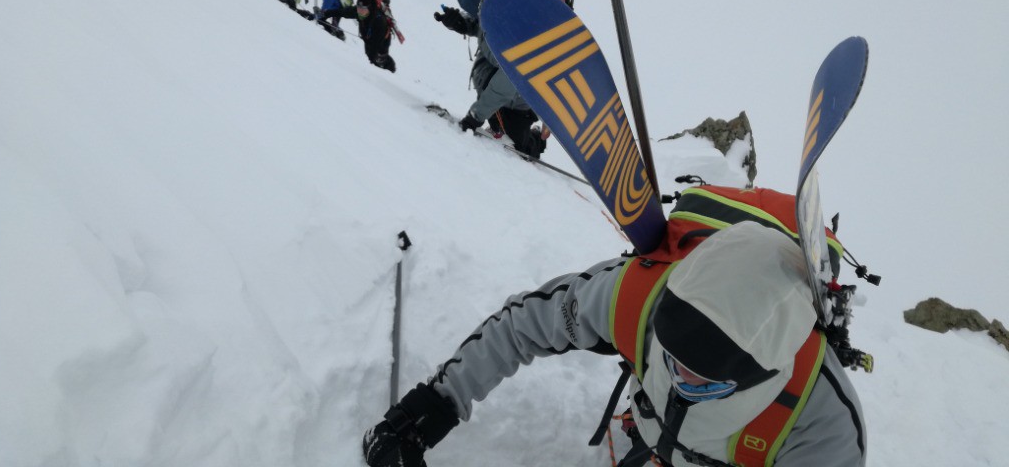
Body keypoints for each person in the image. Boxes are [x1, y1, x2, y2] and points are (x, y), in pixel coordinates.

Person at [362, 221, 867, 467]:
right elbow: (523, 325)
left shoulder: (823, 423)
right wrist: (428, 410)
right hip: (649, 436)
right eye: (672, 359)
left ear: (767, 369)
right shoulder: (635, 297)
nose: (683, 378)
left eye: (708, 381)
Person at [433, 0, 558, 158]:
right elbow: (478, 28)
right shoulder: (496, 15)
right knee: (499, 116)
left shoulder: (517, 34)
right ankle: (496, 120)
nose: (478, 17)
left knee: (520, 147)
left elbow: (505, 84)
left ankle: (535, 142)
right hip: (493, 88)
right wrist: (457, 22)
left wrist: (475, 117)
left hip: (516, 103)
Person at [320, 0, 396, 72]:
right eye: (359, 10)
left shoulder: (379, 21)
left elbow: (376, 44)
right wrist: (326, 13)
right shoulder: (358, 11)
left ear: (370, 9)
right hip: (368, 36)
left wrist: (371, 61)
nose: (360, 13)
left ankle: (391, 69)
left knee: (379, 58)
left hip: (382, 40)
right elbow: (342, 12)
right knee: (369, 54)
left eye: (363, 11)